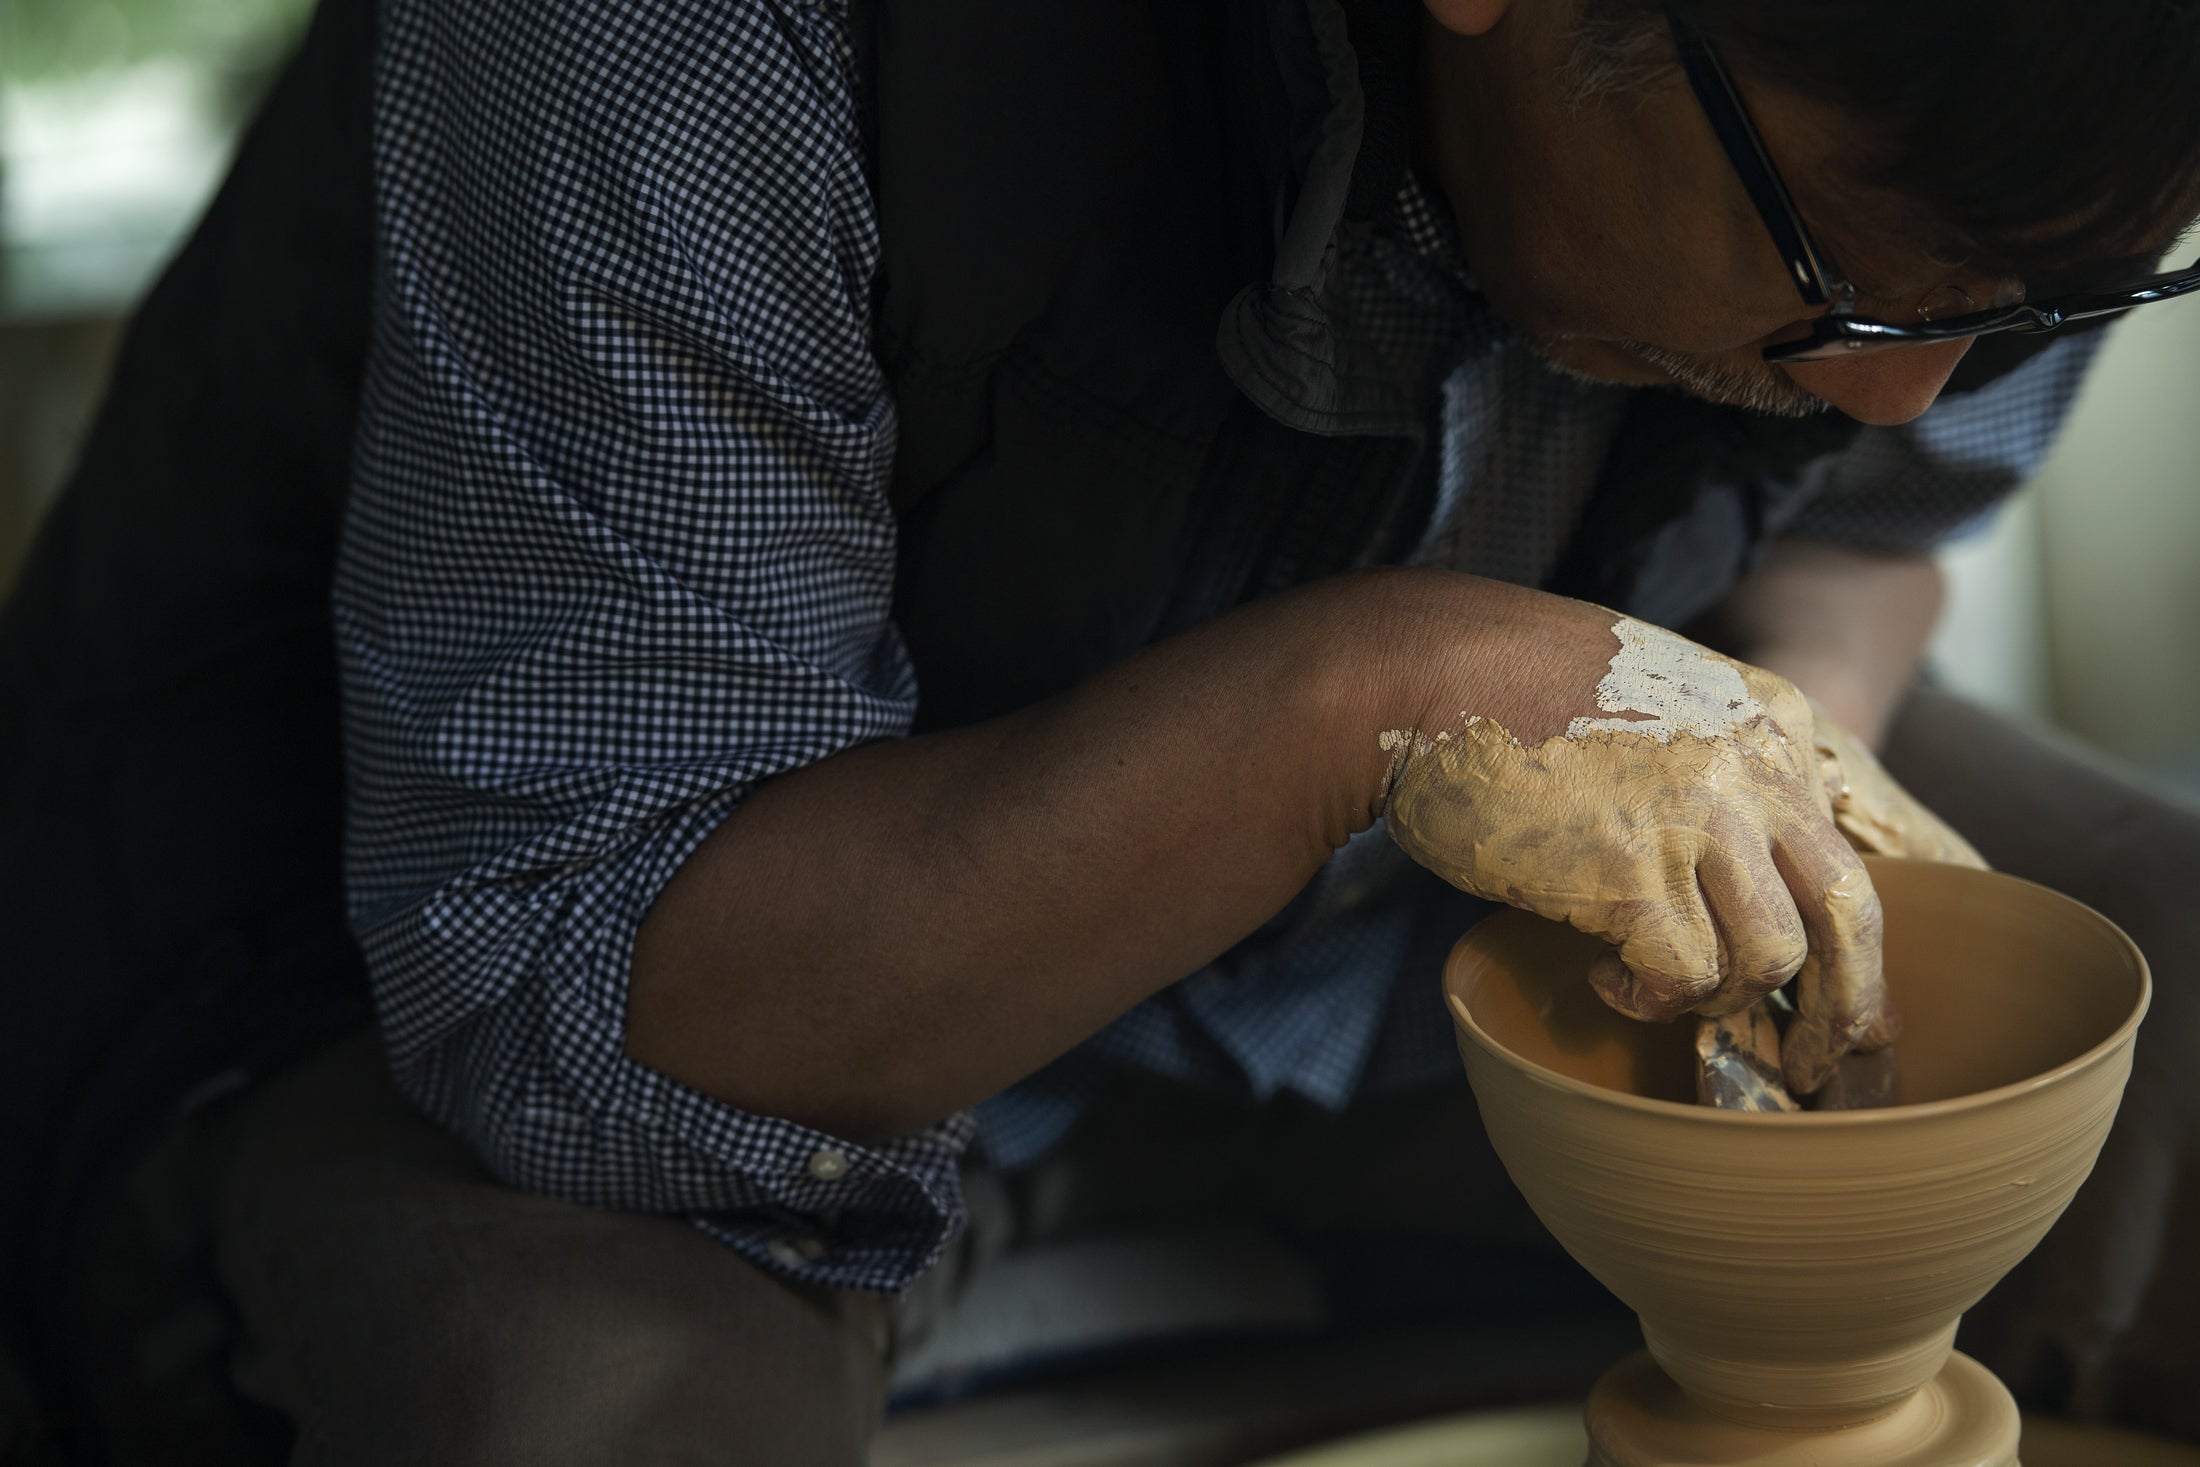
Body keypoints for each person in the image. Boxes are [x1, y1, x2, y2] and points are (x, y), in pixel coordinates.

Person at [5, 0, 2199, 1462]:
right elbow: (609, 1006)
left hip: (1364, 944)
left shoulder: (1967, 124)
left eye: (2020, 306)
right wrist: (1378, 695)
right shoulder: (690, 43)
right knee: (564, 1402)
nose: (1902, 379)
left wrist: (1772, 767)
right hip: (620, 990)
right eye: (1848, 284)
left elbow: (1889, 501)